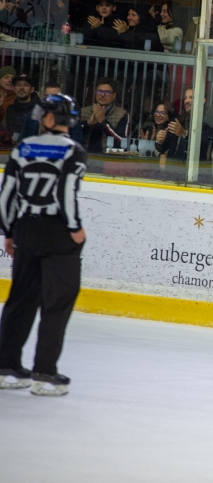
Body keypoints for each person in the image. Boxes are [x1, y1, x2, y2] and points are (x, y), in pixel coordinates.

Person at [0, 94, 87, 396]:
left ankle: (6, 367)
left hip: (26, 229)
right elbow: (66, 192)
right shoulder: (73, 150)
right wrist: (75, 227)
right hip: (58, 232)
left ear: (49, 118)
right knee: (57, 303)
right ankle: (45, 373)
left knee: (20, 300)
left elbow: (6, 194)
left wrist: (10, 231)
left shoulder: (23, 147)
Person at [79, 77, 130, 154]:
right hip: (85, 156)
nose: (102, 95)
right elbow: (73, 135)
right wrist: (88, 123)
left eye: (107, 92)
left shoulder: (122, 114)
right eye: (99, 91)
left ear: (114, 95)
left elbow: (122, 142)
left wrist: (104, 122)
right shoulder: (83, 111)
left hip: (109, 158)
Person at [3, 73, 39, 143]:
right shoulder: (10, 109)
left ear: (32, 89)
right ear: (14, 89)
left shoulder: (40, 110)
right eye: (18, 85)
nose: (21, 88)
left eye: (26, 85)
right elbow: (3, 131)